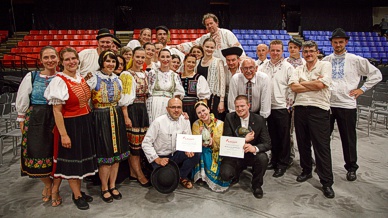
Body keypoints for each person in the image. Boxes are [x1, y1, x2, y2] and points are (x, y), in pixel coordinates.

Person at [322, 28, 382, 182]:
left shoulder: (356, 60)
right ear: (331, 43)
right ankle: (323, 165)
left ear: (346, 42)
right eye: (335, 42)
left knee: (348, 138)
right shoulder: (326, 61)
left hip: (347, 104)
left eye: (341, 42)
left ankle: (351, 167)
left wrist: (362, 89)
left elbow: (377, 74)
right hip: (327, 105)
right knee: (323, 138)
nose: (338, 45)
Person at [44, 47, 98, 210]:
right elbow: (57, 111)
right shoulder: (59, 81)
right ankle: (77, 195)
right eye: (67, 59)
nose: (71, 62)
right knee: (74, 162)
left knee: (80, 160)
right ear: (61, 62)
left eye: (73, 58)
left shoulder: (79, 78)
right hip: (70, 125)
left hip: (84, 122)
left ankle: (79, 191)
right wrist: (64, 135)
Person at [289, 40, 335, 198]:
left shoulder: (325, 65)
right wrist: (313, 83)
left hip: (319, 109)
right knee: (302, 143)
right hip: (300, 108)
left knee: (321, 146)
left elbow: (321, 86)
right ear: (303, 53)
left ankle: (326, 182)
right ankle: (306, 170)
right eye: (306, 51)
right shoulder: (298, 68)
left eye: (311, 51)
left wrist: (304, 83)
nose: (308, 54)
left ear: (317, 52)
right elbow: (293, 87)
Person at [17, 46, 61, 207]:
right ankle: (47, 184)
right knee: (37, 153)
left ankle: (55, 188)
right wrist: (22, 120)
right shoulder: (32, 76)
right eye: (46, 57)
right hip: (37, 118)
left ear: (58, 58)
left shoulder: (63, 77)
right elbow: (23, 98)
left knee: (59, 155)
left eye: (53, 57)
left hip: (59, 117)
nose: (50, 60)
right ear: (41, 60)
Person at [85, 50, 131, 203]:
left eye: (113, 61)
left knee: (116, 155)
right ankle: (104, 187)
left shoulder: (118, 79)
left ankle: (113, 184)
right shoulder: (93, 78)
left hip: (116, 115)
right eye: (107, 61)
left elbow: (122, 100)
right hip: (100, 117)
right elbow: (85, 99)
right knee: (105, 155)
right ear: (101, 62)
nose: (111, 64)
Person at [142, 98, 201, 190]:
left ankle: (181, 176)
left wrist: (188, 149)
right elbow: (146, 143)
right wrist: (157, 159)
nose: (176, 110)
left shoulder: (185, 120)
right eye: (173, 107)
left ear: (182, 109)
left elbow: (188, 138)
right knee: (165, 178)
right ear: (167, 108)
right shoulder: (158, 122)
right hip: (161, 156)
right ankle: (169, 175)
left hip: (176, 154)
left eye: (179, 107)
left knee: (196, 154)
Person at [220, 95, 271, 199]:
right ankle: (237, 172)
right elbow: (227, 140)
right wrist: (244, 140)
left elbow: (267, 143)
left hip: (251, 154)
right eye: (237, 106)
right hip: (234, 154)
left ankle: (256, 185)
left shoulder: (259, 120)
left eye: (242, 106)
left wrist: (254, 148)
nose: (239, 109)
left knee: (263, 158)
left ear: (248, 106)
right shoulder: (229, 117)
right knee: (225, 175)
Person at [258, 40, 294, 178]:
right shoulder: (263, 67)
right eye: (272, 50)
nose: (275, 53)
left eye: (278, 50)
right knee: (271, 136)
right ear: (269, 51)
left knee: (283, 137)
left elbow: (292, 88)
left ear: (282, 51)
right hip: (267, 107)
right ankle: (273, 160)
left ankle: (283, 163)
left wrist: (289, 105)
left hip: (281, 107)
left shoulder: (288, 67)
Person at [122, 47, 152, 187]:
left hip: (143, 109)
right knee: (133, 145)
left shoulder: (145, 74)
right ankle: (138, 174)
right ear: (132, 57)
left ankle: (134, 172)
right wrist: (126, 116)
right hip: (133, 109)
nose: (140, 60)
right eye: (138, 57)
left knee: (140, 144)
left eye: (142, 57)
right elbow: (124, 99)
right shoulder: (127, 75)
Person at [176, 13, 245, 64]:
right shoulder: (204, 38)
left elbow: (237, 49)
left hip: (227, 66)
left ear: (217, 23)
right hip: (211, 67)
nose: (209, 26)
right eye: (207, 24)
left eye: (211, 23)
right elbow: (191, 45)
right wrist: (176, 47)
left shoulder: (227, 33)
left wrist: (242, 62)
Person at [192, 101, 230, 192]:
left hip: (217, 152)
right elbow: (194, 143)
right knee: (203, 151)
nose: (202, 114)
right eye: (199, 113)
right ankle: (202, 176)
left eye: (203, 110)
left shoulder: (220, 124)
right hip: (203, 151)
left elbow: (224, 144)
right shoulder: (196, 124)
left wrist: (213, 143)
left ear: (208, 109)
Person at [147, 49, 185, 123]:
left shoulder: (175, 75)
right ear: (158, 58)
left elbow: (178, 94)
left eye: (167, 57)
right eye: (163, 57)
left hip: (169, 104)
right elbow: (148, 90)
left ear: (171, 58)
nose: (165, 59)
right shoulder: (152, 73)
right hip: (154, 104)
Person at [196, 38, 226, 121]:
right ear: (203, 46)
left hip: (214, 98)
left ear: (215, 48)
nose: (209, 49)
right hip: (200, 98)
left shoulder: (218, 61)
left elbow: (222, 81)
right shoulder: (197, 62)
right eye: (207, 47)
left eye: (212, 47)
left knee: (214, 121)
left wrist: (222, 101)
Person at [179, 54, 211, 125]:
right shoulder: (177, 77)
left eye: (193, 62)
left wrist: (203, 113)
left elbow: (204, 98)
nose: (191, 64)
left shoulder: (199, 78)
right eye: (189, 62)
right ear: (184, 62)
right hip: (180, 108)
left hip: (194, 108)